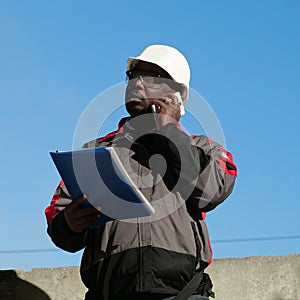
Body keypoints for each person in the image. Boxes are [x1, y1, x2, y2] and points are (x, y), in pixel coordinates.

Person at [45, 45, 237, 300]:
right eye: (133, 76)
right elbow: (57, 219)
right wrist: (69, 224)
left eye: (151, 77)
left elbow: (212, 191)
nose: (137, 83)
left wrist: (167, 130)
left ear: (177, 94)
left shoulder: (204, 148)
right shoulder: (92, 153)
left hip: (184, 294)